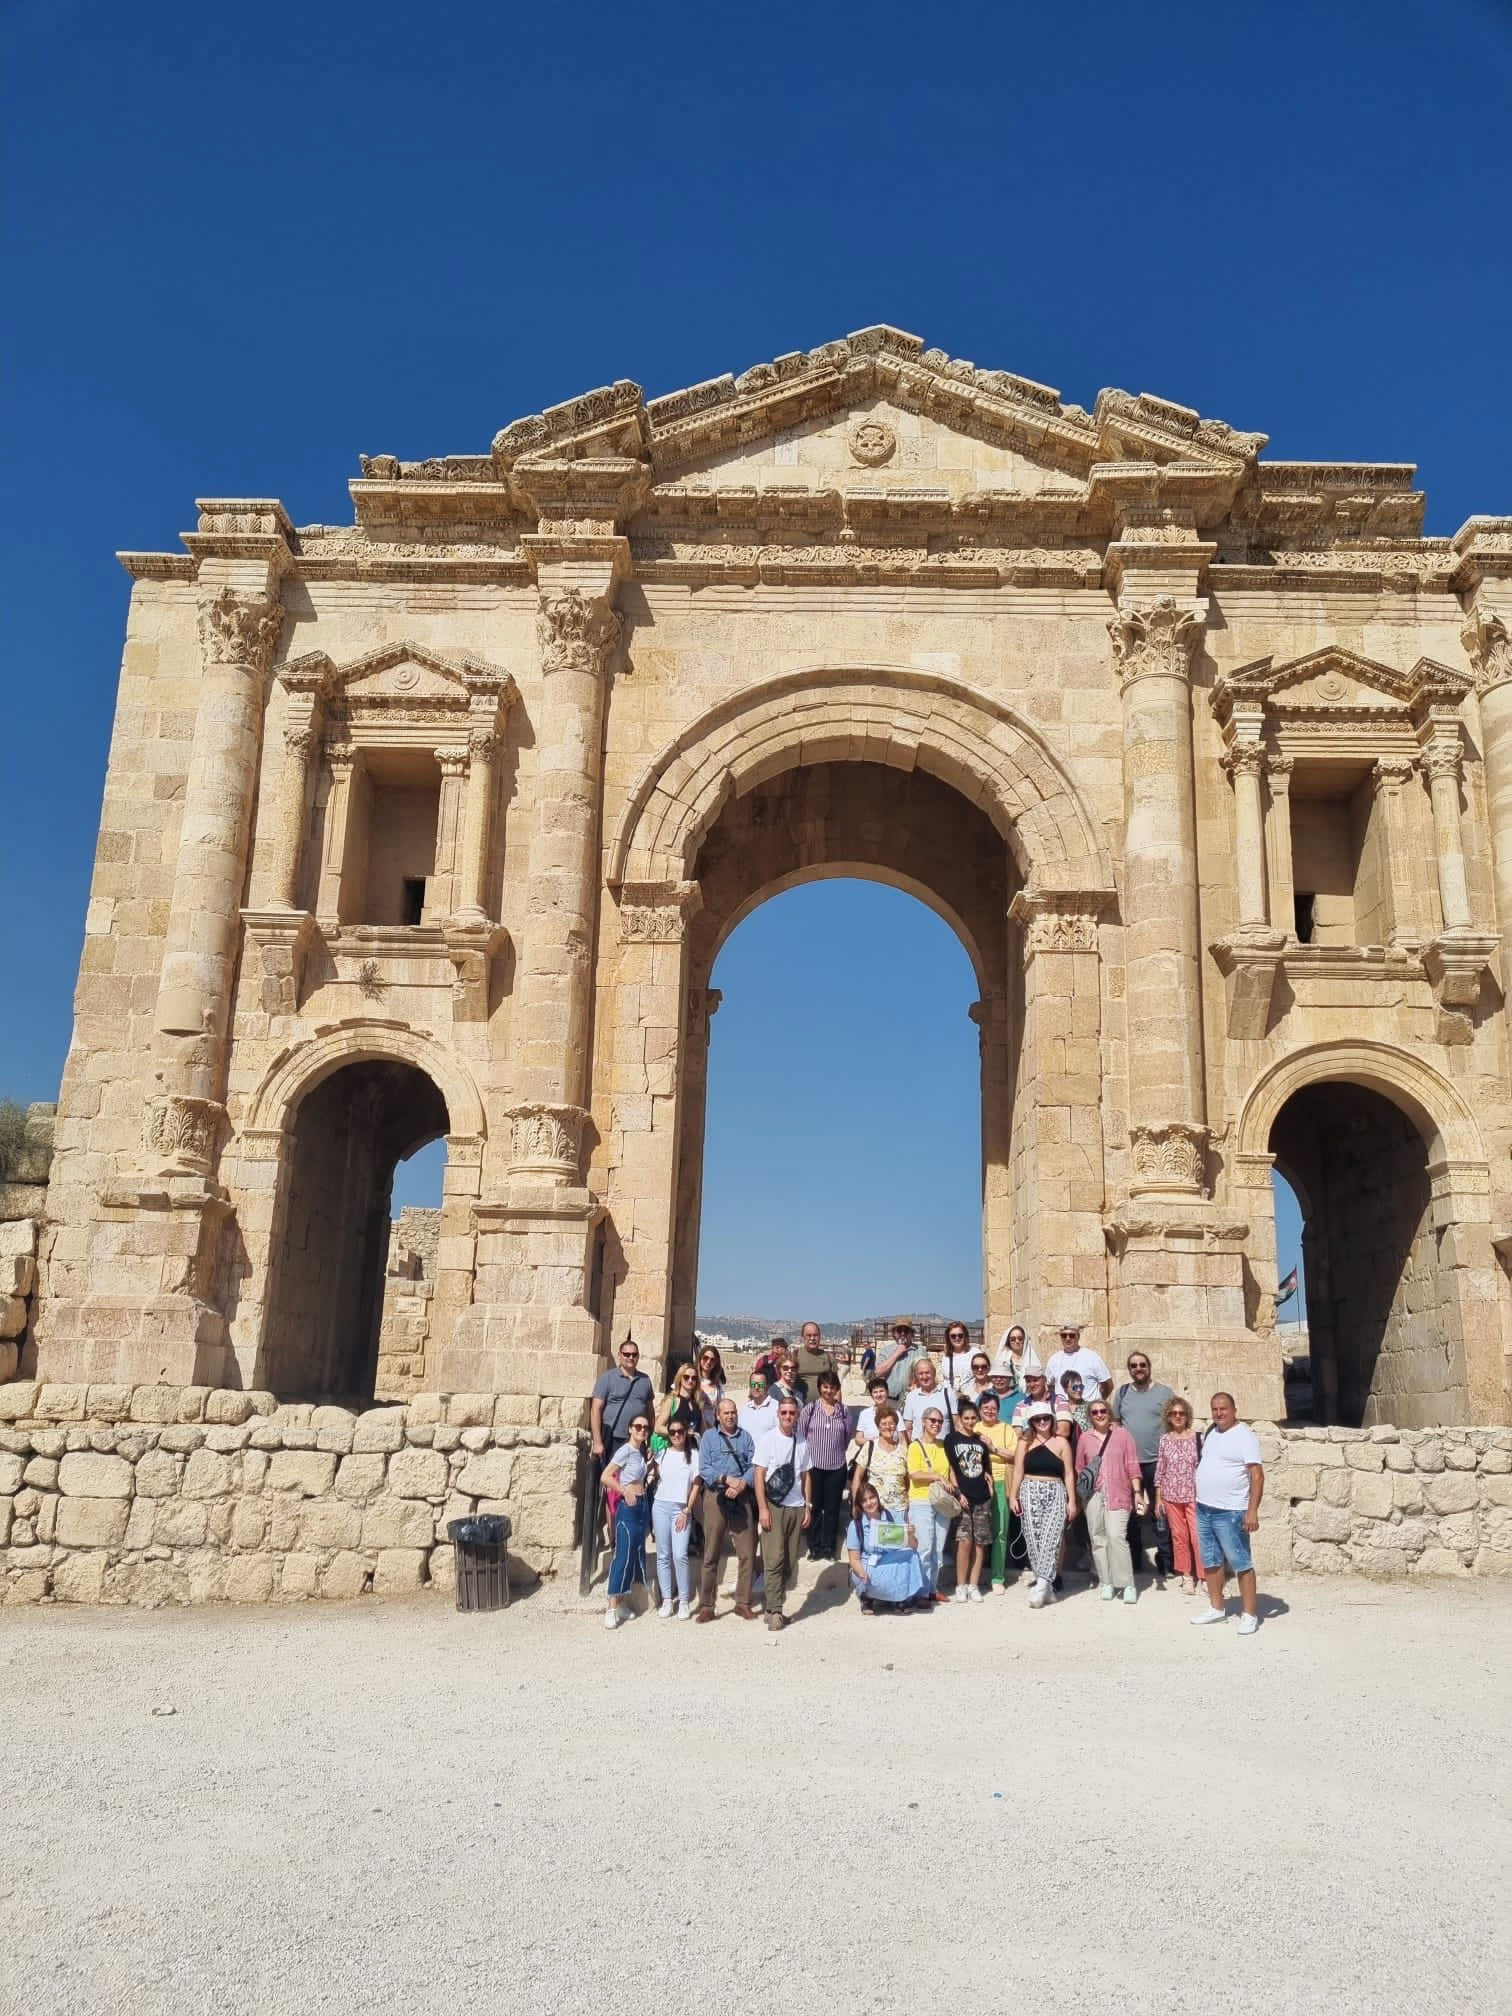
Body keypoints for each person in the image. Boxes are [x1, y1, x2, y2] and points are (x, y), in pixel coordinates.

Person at [1191, 1392, 1265, 1636]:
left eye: (1223, 1409)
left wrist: (1252, 1511)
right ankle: (1216, 1607)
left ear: (1234, 1410)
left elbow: (1256, 1475)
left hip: (1231, 1511)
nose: (1219, 1413)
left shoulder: (1244, 1436)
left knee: (1241, 1562)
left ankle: (1249, 1614)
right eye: (1214, 1409)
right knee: (1211, 1560)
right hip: (1204, 1507)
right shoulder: (1211, 1432)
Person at [1075, 1398, 1146, 1604]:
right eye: (1095, 1412)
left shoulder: (1122, 1435)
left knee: (1117, 1537)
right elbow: (1080, 1467)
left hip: (1119, 1492)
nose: (1099, 1415)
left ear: (1110, 1412)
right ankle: (1106, 1582)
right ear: (1090, 1416)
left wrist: (1138, 1492)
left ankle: (1127, 1583)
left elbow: (1132, 1465)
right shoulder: (1085, 1438)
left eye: (1103, 1410)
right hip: (1093, 1496)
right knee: (1098, 1538)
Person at [1113, 1352, 1176, 1583]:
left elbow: (1175, 1422)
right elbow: (1116, 1425)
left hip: (1157, 1461)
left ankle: (1166, 1561)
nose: (1138, 1368)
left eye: (1142, 1365)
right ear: (1129, 1369)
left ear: (1149, 1367)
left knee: (1160, 1512)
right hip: (1130, 1463)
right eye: (1133, 1365)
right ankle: (1134, 1558)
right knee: (1130, 1512)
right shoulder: (1122, 1393)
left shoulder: (1164, 1393)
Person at [695, 1397, 759, 1622]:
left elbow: (755, 1464)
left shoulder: (746, 1438)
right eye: (726, 1413)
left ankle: (743, 1602)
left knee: (747, 1552)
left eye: (733, 1412)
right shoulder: (709, 1438)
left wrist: (742, 1483)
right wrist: (725, 1479)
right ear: (718, 1416)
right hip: (716, 1495)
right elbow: (704, 1468)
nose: (731, 1416)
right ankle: (706, 1605)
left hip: (741, 1497)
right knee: (711, 1552)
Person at [754, 1395, 813, 1632]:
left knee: (789, 1561)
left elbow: (806, 1476)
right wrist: (763, 1509)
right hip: (775, 1506)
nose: (788, 1416)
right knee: (774, 1559)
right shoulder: (768, 1440)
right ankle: (776, 1609)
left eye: (792, 1413)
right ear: (778, 1414)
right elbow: (759, 1475)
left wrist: (808, 1505)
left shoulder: (803, 1442)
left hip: (797, 1506)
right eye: (784, 1412)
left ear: (797, 1415)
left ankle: (771, 1607)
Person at [1010, 1403, 1076, 1608]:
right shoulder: (1024, 1442)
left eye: (1045, 1418)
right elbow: (1018, 1471)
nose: (1042, 1422)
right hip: (1029, 1491)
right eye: (1037, 1419)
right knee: (1033, 1539)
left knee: (1052, 1538)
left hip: (1055, 1492)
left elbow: (1069, 1474)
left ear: (1052, 1419)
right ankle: (1045, 1586)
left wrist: (1072, 1501)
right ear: (1031, 1421)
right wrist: (1013, 1496)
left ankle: (1041, 1585)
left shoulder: (1062, 1443)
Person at [602, 1416, 654, 1630]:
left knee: (634, 1554)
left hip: (642, 1505)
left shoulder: (640, 1452)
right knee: (623, 1555)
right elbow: (606, 1476)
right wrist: (624, 1491)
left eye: (645, 1427)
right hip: (629, 1506)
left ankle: (622, 1603)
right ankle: (611, 1608)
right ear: (630, 1429)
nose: (642, 1430)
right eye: (638, 1427)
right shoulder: (625, 1450)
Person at [847, 1481, 928, 1615]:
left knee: (912, 1555)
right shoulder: (855, 1525)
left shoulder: (893, 1516)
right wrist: (862, 1573)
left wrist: (910, 1535)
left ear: (877, 1497)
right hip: (870, 1566)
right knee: (859, 1573)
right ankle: (868, 1598)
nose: (870, 1503)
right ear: (860, 1504)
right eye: (864, 1500)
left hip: (890, 1561)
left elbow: (913, 1546)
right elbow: (854, 1559)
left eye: (872, 1497)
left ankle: (900, 1598)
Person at [798, 1370, 851, 1562]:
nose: (829, 1390)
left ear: (837, 1388)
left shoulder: (843, 1411)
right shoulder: (810, 1409)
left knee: (832, 1508)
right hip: (814, 1467)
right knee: (814, 1506)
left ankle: (829, 1547)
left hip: (836, 1467)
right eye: (825, 1386)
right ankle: (814, 1546)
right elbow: (802, 1435)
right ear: (820, 1387)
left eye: (832, 1387)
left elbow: (846, 1438)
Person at [651, 1418, 701, 1619]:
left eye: (680, 1431)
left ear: (685, 1433)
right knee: (663, 1554)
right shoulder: (661, 1454)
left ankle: (683, 1600)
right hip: (661, 1505)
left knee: (679, 1554)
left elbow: (697, 1484)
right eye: (672, 1432)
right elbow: (654, 1475)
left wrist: (687, 1509)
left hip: (681, 1509)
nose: (676, 1435)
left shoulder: (694, 1456)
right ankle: (666, 1600)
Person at [905, 1405, 956, 1600]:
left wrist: (951, 1484)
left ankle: (932, 1588)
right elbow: (914, 1474)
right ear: (924, 1422)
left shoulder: (944, 1445)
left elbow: (950, 1471)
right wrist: (937, 1477)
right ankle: (921, 1591)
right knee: (924, 1547)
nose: (936, 1424)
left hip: (941, 1501)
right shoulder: (915, 1446)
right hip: (921, 1500)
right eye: (932, 1420)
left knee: (938, 1548)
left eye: (939, 1421)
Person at [944, 1398, 993, 1603]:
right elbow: (951, 1467)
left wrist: (990, 1488)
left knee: (980, 1543)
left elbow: (986, 1469)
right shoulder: (951, 1439)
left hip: (982, 1496)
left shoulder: (981, 1441)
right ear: (960, 1419)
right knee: (964, 1542)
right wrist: (957, 1493)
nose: (971, 1421)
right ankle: (960, 1584)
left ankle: (974, 1585)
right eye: (967, 1418)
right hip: (963, 1496)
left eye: (974, 1418)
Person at [1154, 1396, 1203, 1594]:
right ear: (1168, 1416)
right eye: (1174, 1413)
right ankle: (1186, 1575)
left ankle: (1204, 1576)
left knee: (1198, 1536)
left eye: (1181, 1413)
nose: (1178, 1416)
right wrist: (1158, 1498)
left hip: (1194, 1494)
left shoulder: (1198, 1438)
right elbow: (1160, 1469)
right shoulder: (1165, 1440)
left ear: (1187, 1415)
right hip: (1171, 1495)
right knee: (1179, 1536)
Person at [975, 1390, 1021, 1590]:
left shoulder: (1006, 1429)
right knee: (976, 1532)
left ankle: (997, 1577)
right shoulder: (974, 1428)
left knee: (1001, 1531)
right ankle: (973, 1578)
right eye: (986, 1408)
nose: (989, 1411)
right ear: (979, 1409)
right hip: (977, 1483)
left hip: (1001, 1481)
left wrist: (993, 1448)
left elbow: (1014, 1455)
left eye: (993, 1408)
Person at [590, 1338, 655, 1474]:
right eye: (626, 1354)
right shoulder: (607, 1378)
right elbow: (596, 1409)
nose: (631, 1357)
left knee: (634, 1479)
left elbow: (650, 1411)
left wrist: (650, 1441)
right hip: (613, 1439)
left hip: (637, 1439)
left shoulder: (645, 1380)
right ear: (619, 1355)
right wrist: (597, 1441)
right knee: (611, 1482)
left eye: (634, 1354)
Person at [851, 1402, 909, 1518]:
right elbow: (857, 1477)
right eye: (884, 1424)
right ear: (878, 1427)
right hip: (874, 1509)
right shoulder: (870, 1446)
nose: (888, 1427)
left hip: (899, 1510)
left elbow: (908, 1480)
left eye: (891, 1423)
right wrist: (855, 1504)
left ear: (896, 1426)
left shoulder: (904, 1450)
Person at [1045, 1323, 1113, 1403]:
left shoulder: (1092, 1357)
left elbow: (1108, 1385)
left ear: (1078, 1337)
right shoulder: (1054, 1359)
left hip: (1087, 1410)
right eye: (1064, 1335)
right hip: (1062, 1411)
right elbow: (1049, 1385)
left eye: (1071, 1335)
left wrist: (1096, 1403)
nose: (1067, 1338)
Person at [654, 1362, 701, 1453]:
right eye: (686, 1377)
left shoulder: (697, 1403)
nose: (690, 1380)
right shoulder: (672, 1401)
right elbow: (658, 1427)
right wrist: (682, 1433)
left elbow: (702, 1429)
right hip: (673, 1450)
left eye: (694, 1378)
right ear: (680, 1378)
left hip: (692, 1450)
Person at [902, 1354, 953, 1438]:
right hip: (919, 1448)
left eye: (927, 1373)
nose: (924, 1377)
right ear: (916, 1376)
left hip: (943, 1448)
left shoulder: (948, 1393)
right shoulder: (911, 1396)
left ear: (934, 1373)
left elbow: (956, 1424)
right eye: (921, 1374)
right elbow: (908, 1428)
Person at [876, 1316, 925, 1403]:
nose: (902, 1333)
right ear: (894, 1334)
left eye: (906, 1331)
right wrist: (896, 1354)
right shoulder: (886, 1351)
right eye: (899, 1331)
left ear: (912, 1334)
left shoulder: (920, 1351)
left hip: (914, 1399)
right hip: (890, 1399)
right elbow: (878, 1373)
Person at [793, 1320, 837, 1392]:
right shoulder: (795, 1356)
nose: (812, 1338)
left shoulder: (829, 1357)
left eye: (815, 1335)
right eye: (809, 1335)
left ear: (820, 1336)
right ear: (802, 1337)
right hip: (801, 1402)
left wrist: (837, 1402)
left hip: (825, 1402)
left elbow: (836, 1385)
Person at [737, 1369, 779, 1443]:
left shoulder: (777, 1408)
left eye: (760, 1384)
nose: (756, 1387)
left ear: (767, 1386)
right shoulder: (743, 1410)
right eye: (753, 1384)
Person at [693, 1343, 727, 1430]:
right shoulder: (691, 1377)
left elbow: (721, 1405)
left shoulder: (717, 1384)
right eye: (705, 1358)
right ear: (700, 1358)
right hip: (693, 1424)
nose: (708, 1362)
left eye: (712, 1360)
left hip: (710, 1426)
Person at [854, 1377, 894, 1442]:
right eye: (875, 1392)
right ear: (871, 1395)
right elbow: (858, 1438)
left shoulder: (895, 1413)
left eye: (881, 1391)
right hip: (871, 1450)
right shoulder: (864, 1414)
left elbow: (902, 1439)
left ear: (887, 1392)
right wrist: (875, 1443)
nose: (879, 1395)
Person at [941, 1322, 976, 1394]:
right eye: (953, 1336)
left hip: (971, 1396)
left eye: (960, 1335)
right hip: (952, 1396)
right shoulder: (946, 1357)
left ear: (965, 1336)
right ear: (949, 1338)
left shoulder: (975, 1353)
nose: (957, 1338)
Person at [1060, 1370, 1093, 1436]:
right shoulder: (1060, 1407)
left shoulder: (1090, 1407)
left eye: (1081, 1387)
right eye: (1074, 1387)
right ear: (1065, 1390)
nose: (1079, 1390)